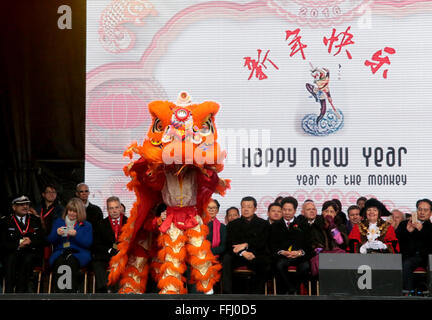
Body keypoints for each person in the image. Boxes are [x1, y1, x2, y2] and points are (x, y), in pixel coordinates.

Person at [222, 196, 271, 294]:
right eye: (243, 206)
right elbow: (230, 243)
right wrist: (243, 252)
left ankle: (257, 295)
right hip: (238, 255)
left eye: (249, 206)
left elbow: (263, 242)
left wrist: (247, 245)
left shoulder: (263, 223)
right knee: (227, 258)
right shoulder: (233, 224)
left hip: (255, 253)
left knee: (265, 262)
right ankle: (227, 293)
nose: (246, 209)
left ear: (255, 209)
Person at [47, 197, 93, 293]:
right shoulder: (59, 222)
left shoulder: (86, 225)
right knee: (60, 262)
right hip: (61, 251)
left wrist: (76, 235)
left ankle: (70, 293)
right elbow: (50, 240)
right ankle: (60, 293)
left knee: (71, 262)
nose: (71, 213)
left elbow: (88, 243)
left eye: (75, 211)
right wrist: (56, 233)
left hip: (79, 253)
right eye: (70, 210)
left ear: (80, 212)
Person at [0, 196, 44, 293]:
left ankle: (21, 293)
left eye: (27, 204)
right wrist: (18, 245)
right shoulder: (6, 221)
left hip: (30, 253)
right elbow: (3, 243)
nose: (25, 206)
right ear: (14, 207)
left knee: (27, 259)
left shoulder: (35, 220)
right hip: (12, 252)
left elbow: (41, 240)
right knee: (10, 259)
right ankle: (9, 294)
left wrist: (31, 241)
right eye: (21, 205)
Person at [269, 196, 311, 295]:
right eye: (284, 210)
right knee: (279, 265)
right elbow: (271, 244)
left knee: (305, 267)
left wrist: (300, 252)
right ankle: (292, 289)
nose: (287, 212)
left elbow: (308, 244)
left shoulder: (303, 224)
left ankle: (292, 288)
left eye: (289, 210)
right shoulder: (275, 226)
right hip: (283, 256)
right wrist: (281, 251)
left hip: (299, 256)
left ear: (295, 210)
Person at [396, 199, 432, 295]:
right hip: (405, 255)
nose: (422, 212)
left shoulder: (430, 227)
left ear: (430, 213)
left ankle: (408, 291)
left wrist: (421, 230)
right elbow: (396, 241)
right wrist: (408, 232)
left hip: (423, 257)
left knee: (407, 263)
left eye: (425, 210)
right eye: (420, 209)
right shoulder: (404, 224)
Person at [92, 196, 128, 293]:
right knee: (97, 262)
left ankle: (125, 291)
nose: (114, 211)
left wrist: (123, 250)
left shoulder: (129, 222)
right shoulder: (101, 224)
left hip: (124, 255)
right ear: (107, 210)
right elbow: (96, 244)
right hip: (107, 255)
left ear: (121, 208)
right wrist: (109, 250)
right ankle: (106, 290)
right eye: (111, 208)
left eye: (116, 207)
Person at [305, 200, 348, 277]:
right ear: (322, 212)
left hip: (337, 254)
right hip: (321, 254)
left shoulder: (341, 226)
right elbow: (314, 243)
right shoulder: (316, 225)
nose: (329, 214)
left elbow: (341, 242)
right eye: (326, 211)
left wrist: (333, 228)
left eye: (331, 212)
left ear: (335, 213)